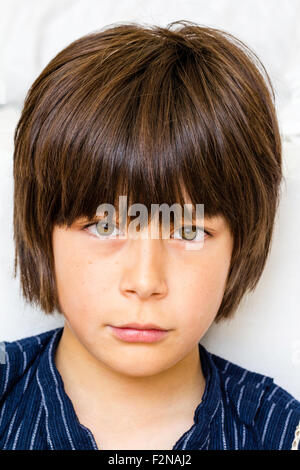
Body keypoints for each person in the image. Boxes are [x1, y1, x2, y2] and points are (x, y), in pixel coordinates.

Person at [0, 20, 299, 451]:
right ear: (41, 231)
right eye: (105, 226)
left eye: (189, 231)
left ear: (241, 244)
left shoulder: (281, 435)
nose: (144, 282)